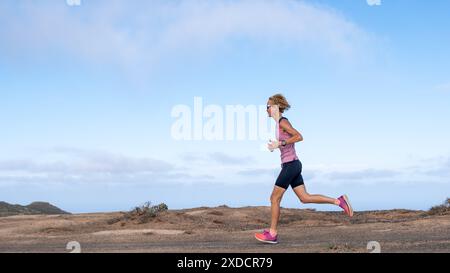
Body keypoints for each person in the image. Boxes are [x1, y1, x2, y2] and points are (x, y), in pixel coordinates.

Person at [255, 94, 353, 244]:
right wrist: (277, 145)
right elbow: (287, 141)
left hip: (291, 166)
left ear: (275, 107)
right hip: (293, 164)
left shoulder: (282, 122)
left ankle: (272, 233)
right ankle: (338, 201)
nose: (266, 110)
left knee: (274, 198)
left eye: (267, 107)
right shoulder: (279, 124)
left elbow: (299, 136)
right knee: (304, 198)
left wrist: (280, 143)